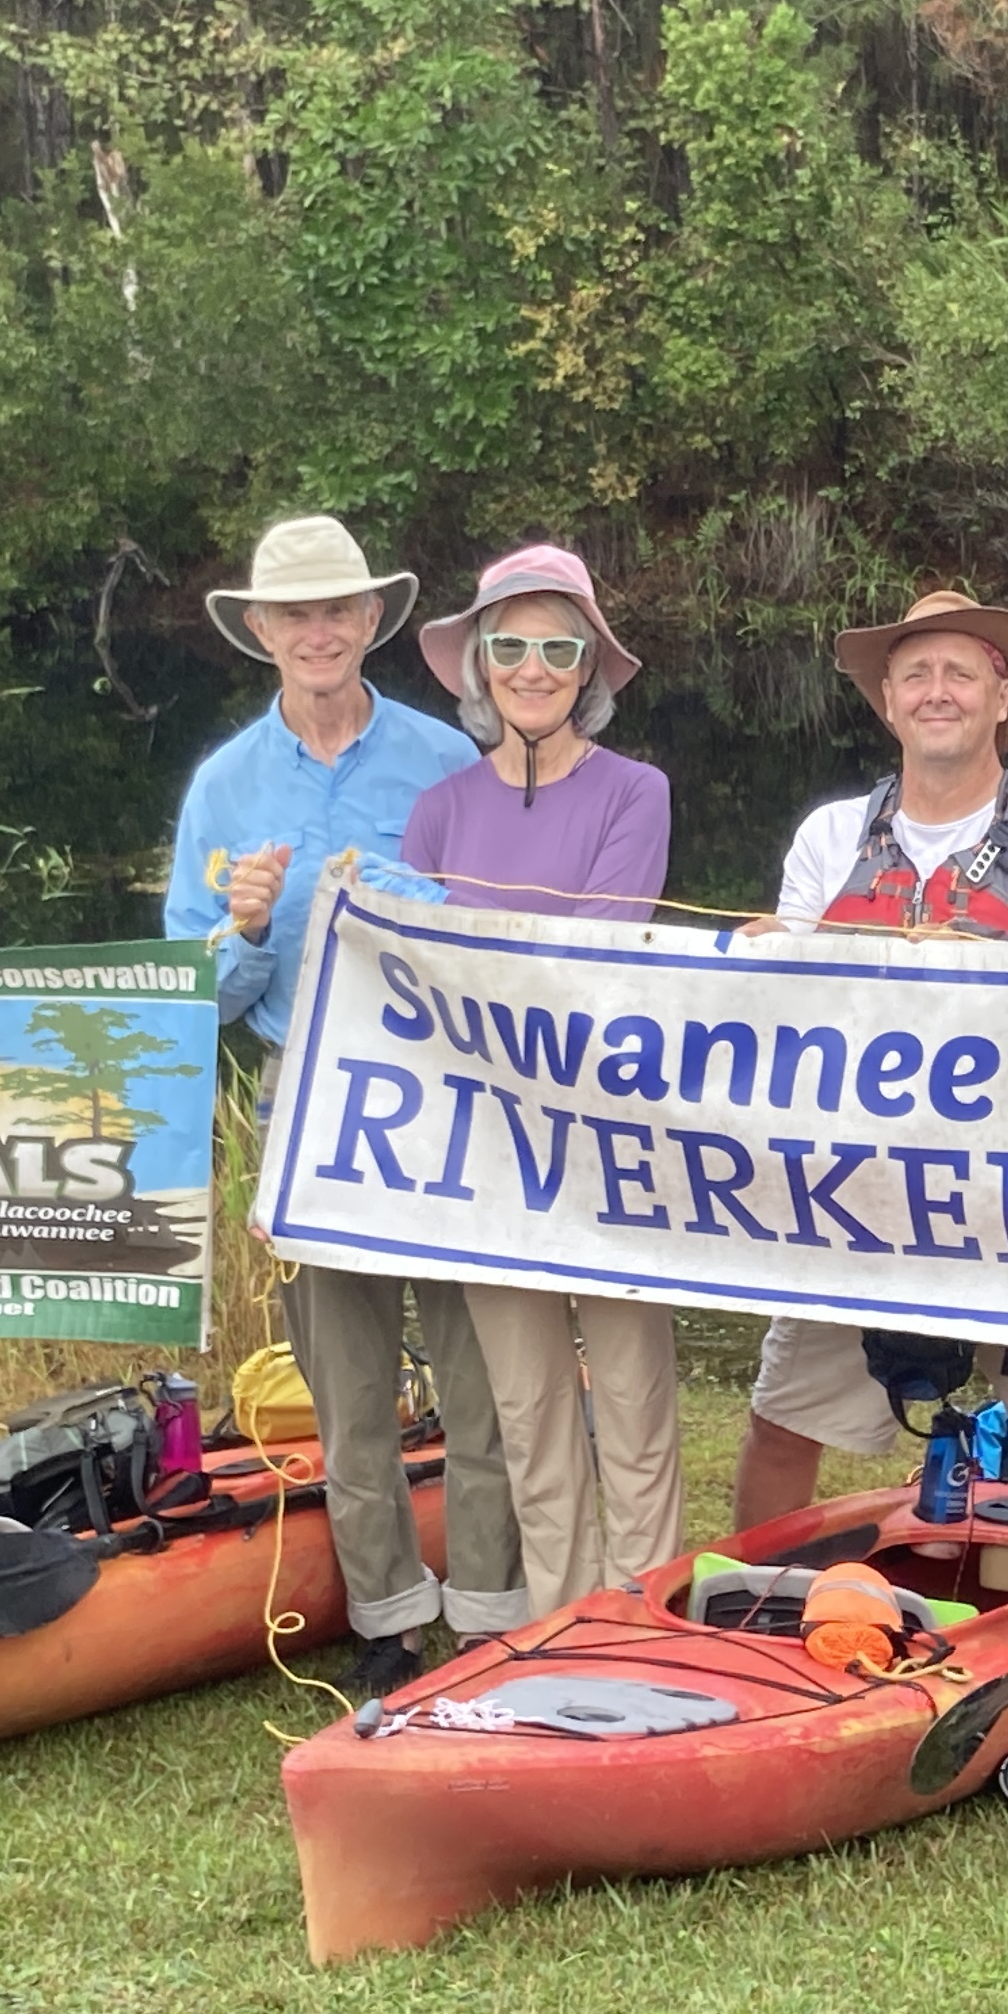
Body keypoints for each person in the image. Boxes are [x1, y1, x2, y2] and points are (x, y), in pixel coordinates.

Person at [162, 516, 520, 1691]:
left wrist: (423, 901)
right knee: (346, 1382)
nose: (317, 633)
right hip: (303, 1095)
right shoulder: (223, 787)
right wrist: (248, 929)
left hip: (446, 1092)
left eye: (338, 611)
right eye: (293, 615)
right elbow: (197, 999)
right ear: (258, 631)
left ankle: (490, 1613)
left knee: (477, 1367)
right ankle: (384, 1624)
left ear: (372, 621)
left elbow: (506, 938)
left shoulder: (450, 760)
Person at [731, 589, 1008, 1524]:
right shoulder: (830, 836)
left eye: (960, 672)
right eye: (916, 674)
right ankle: (747, 1615)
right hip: (851, 1191)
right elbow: (781, 1008)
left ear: (1001, 696)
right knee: (782, 1420)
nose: (936, 691)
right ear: (888, 701)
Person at [399, 543, 687, 1607]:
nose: (532, 667)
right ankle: (564, 1621)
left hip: (610, 1141)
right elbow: (412, 985)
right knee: (527, 1411)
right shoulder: (437, 811)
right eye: (509, 645)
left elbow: (594, 947)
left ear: (588, 668)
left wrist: (466, 955)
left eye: (558, 646)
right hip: (484, 1148)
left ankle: (648, 1616)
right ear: (479, 663)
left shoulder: (637, 792)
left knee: (636, 1399)